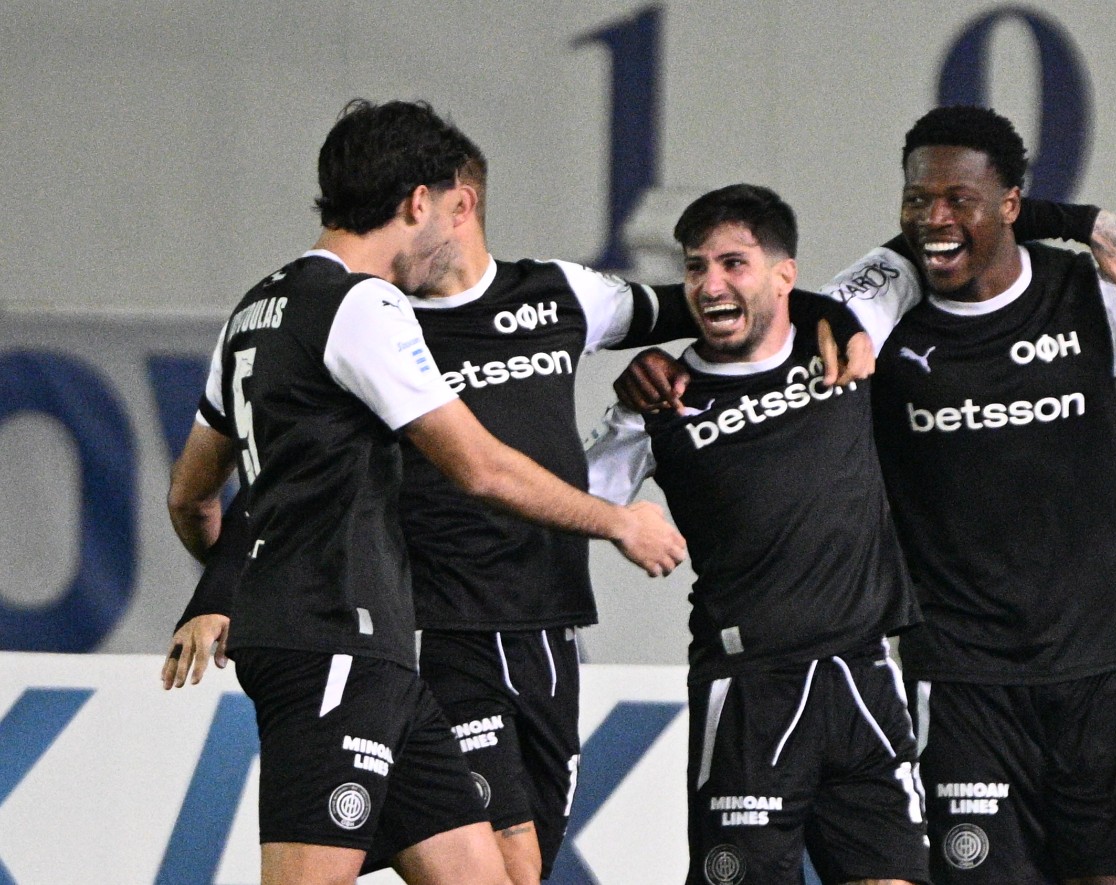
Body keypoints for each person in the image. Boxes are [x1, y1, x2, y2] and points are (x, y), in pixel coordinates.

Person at [164, 126, 870, 883]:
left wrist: (826, 313)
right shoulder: (371, 312)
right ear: (422, 203)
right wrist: (618, 521)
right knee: (501, 854)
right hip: (417, 629)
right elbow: (454, 468)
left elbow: (209, 488)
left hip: (529, 628)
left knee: (511, 873)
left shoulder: (549, 293)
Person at [618, 107, 1116, 885]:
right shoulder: (882, 312)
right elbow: (768, 337)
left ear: (1011, 204)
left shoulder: (1087, 293)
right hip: (958, 674)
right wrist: (659, 370)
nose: (933, 218)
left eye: (958, 199)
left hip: (1097, 662)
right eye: (916, 200)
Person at [586, 184, 932, 885]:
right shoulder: (658, 401)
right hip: (751, 688)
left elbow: (936, 238)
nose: (710, 284)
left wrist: (1083, 225)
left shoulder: (842, 334)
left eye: (733, 263)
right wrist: (619, 521)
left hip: (863, 673)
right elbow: (568, 500)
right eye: (695, 267)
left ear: (784, 275)